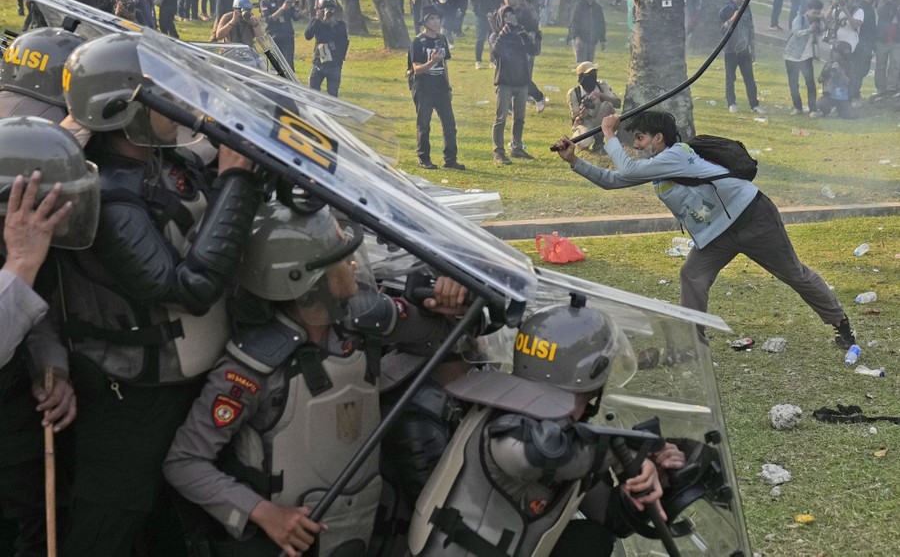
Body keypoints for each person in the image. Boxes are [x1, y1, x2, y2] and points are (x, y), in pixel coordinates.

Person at [163, 201, 470, 557]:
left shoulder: (363, 318)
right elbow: (184, 462)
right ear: (303, 281)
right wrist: (262, 513)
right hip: (288, 541)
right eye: (340, 260)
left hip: (364, 524)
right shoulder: (250, 368)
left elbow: (442, 332)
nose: (354, 263)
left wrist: (451, 294)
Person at [56, 33, 262, 556]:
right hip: (133, 399)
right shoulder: (107, 197)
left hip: (179, 381)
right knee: (109, 524)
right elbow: (184, 288)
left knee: (173, 528)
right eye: (161, 93)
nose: (177, 103)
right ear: (124, 110)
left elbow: (201, 167)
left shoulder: (158, 159)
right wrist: (236, 181)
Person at [553, 110, 857, 349]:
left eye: (641, 139)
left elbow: (628, 169)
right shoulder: (658, 167)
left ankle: (840, 322)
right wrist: (574, 160)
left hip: (752, 216)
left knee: (793, 273)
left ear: (659, 138)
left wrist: (609, 133)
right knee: (692, 275)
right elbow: (614, 180)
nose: (636, 145)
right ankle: (693, 343)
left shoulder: (677, 154)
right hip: (717, 234)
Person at [408, 298, 681, 557]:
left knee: (591, 539)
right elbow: (528, 455)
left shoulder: (570, 436)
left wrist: (652, 475)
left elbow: (611, 517)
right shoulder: (512, 423)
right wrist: (623, 450)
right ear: (594, 376)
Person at [0, 118, 99, 557]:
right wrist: (21, 260)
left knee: (38, 523)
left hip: (14, 416)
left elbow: (32, 313)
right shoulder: (18, 246)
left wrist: (52, 367)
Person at [407, 4, 464, 171]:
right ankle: (424, 158)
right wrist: (432, 62)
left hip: (440, 86)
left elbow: (444, 64)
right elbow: (416, 69)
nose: (436, 22)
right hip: (423, 86)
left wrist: (448, 86)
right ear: (425, 22)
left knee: (449, 124)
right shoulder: (418, 42)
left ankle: (450, 159)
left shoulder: (442, 39)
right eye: (432, 19)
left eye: (438, 18)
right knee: (424, 124)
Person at [490, 5, 537, 165]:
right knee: (501, 117)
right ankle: (498, 151)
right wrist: (503, 33)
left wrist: (523, 34)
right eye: (506, 16)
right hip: (504, 82)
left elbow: (533, 50)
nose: (510, 19)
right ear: (501, 20)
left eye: (512, 16)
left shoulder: (519, 34)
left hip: (521, 81)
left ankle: (517, 147)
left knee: (520, 117)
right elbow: (495, 52)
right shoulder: (496, 35)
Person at [719, 0, 764, 114]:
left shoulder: (747, 8)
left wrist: (753, 47)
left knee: (749, 78)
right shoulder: (725, 10)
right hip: (731, 50)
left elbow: (751, 28)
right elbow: (721, 29)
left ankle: (754, 105)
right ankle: (731, 103)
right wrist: (732, 18)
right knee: (730, 78)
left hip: (744, 50)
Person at [566, 61, 619, 151]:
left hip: (602, 118)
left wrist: (601, 95)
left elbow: (617, 103)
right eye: (588, 74)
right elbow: (576, 118)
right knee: (583, 144)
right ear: (581, 76)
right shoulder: (574, 93)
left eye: (594, 73)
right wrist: (584, 109)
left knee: (606, 105)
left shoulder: (602, 86)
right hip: (586, 122)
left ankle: (599, 141)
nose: (592, 76)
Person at [783, 0, 823, 115]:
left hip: (807, 57)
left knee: (810, 83)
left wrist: (822, 23)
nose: (816, 15)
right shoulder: (799, 19)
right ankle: (798, 107)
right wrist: (809, 30)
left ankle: (813, 109)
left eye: (818, 13)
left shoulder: (818, 22)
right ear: (808, 10)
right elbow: (796, 32)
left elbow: (822, 34)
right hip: (792, 56)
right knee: (794, 83)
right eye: (814, 12)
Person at [305, 0, 349, 96]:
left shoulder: (340, 24)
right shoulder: (316, 22)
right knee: (312, 93)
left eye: (331, 9)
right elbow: (308, 36)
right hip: (319, 62)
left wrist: (332, 23)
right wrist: (319, 20)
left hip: (334, 64)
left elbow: (342, 40)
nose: (328, 12)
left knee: (332, 95)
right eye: (324, 9)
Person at [260, 0, 301, 69]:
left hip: (287, 34)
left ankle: (289, 83)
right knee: (276, 65)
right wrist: (282, 8)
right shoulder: (265, 1)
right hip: (274, 36)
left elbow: (295, 17)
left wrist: (298, 10)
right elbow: (269, 20)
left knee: (289, 64)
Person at [812, 40, 859, 118]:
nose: (834, 53)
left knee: (851, 116)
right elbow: (820, 80)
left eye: (836, 52)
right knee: (820, 103)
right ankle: (830, 111)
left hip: (844, 98)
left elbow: (850, 83)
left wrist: (840, 72)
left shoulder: (850, 66)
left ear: (842, 54)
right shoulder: (830, 63)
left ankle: (838, 110)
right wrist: (825, 71)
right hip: (830, 96)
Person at [471, 0, 502, 69]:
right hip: (481, 13)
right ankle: (478, 61)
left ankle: (492, 61)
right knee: (480, 38)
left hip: (493, 14)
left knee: (493, 37)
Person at [873, 0, 900, 98]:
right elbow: (880, 12)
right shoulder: (884, 0)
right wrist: (890, 1)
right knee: (880, 66)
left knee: (895, 64)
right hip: (883, 39)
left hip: (896, 39)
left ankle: (891, 88)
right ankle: (880, 88)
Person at [568, 0, 606, 64]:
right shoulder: (579, 5)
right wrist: (576, 37)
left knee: (589, 64)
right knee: (582, 64)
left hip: (592, 40)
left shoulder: (597, 7)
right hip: (581, 39)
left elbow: (601, 24)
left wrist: (602, 40)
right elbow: (573, 22)